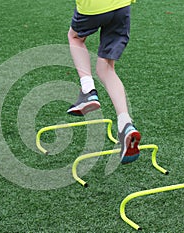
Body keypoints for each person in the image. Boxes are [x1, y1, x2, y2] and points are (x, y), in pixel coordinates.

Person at [67, 0, 141, 164]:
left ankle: (88, 90)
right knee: (106, 68)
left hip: (93, 6)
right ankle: (125, 125)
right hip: (122, 6)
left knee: (75, 37)